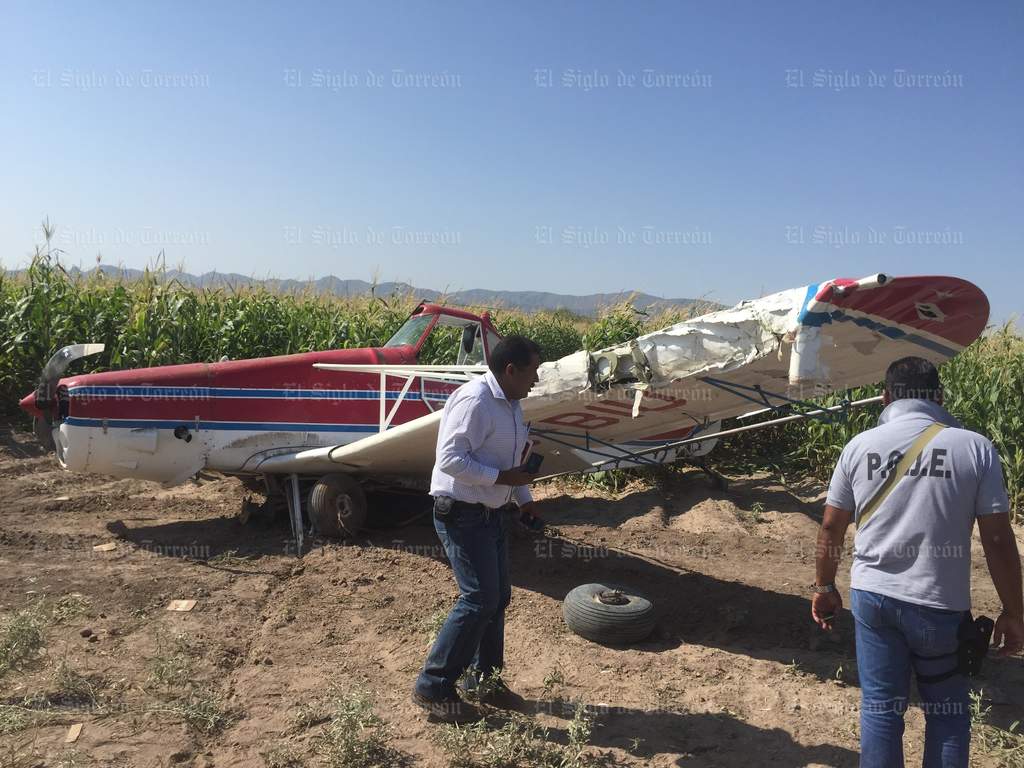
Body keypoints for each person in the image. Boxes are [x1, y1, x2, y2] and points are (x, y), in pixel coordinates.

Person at [812, 356, 1023, 767]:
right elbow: (998, 539)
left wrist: (824, 587)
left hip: (873, 597)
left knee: (881, 710)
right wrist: (1014, 612)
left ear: (885, 397)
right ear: (939, 397)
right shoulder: (974, 447)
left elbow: (831, 527)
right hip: (939, 603)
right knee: (947, 714)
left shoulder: (859, 447)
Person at [412, 334, 542, 723]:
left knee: (497, 597)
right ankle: (433, 688)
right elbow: (450, 460)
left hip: (492, 513)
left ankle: (484, 679)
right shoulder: (475, 401)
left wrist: (525, 499)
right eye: (533, 371)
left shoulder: (512, 405)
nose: (537, 379)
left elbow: (511, 464)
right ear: (511, 370)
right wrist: (503, 479)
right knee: (479, 599)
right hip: (462, 513)